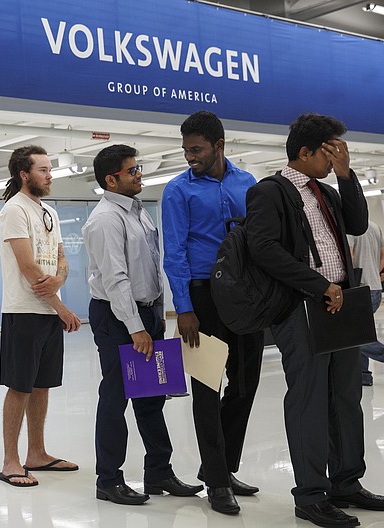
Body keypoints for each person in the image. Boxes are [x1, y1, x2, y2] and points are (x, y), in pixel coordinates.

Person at [245, 113, 384, 528]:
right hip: (301, 306)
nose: (334, 161)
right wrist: (316, 285)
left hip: (341, 302)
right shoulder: (269, 192)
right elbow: (263, 248)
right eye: (330, 153)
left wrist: (347, 176)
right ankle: (311, 495)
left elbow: (357, 223)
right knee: (309, 401)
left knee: (347, 397)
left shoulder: (328, 192)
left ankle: (347, 482)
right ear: (305, 152)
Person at [82, 144, 202, 505]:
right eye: (132, 170)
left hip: (146, 314)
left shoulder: (139, 213)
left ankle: (159, 474)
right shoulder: (104, 220)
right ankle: (108, 479)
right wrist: (135, 328)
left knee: (151, 397)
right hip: (118, 317)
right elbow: (116, 279)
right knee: (115, 397)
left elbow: (152, 267)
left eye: (138, 168)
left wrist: (157, 319)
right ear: (111, 179)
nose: (139, 174)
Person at [162, 110, 263, 514]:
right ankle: (218, 482)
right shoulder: (176, 191)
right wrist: (184, 308)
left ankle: (220, 465)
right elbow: (175, 254)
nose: (190, 157)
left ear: (220, 146)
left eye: (197, 149)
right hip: (202, 298)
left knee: (245, 384)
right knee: (207, 389)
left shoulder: (248, 183)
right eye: (186, 150)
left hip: (244, 296)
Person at [0, 146, 82, 487]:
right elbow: (28, 267)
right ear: (24, 174)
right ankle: (10, 460)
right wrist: (62, 306)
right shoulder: (14, 210)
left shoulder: (49, 212)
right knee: (19, 386)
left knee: (42, 385)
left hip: (47, 312)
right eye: (43, 169)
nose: (50, 175)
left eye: (50, 169)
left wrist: (60, 282)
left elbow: (62, 259)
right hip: (24, 312)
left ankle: (37, 453)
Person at [349, 221, 384, 386]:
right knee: (361, 331)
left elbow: (350, 257)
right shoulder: (373, 226)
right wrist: (374, 270)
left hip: (359, 288)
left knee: (351, 336)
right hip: (374, 287)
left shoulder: (350, 228)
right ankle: (363, 375)